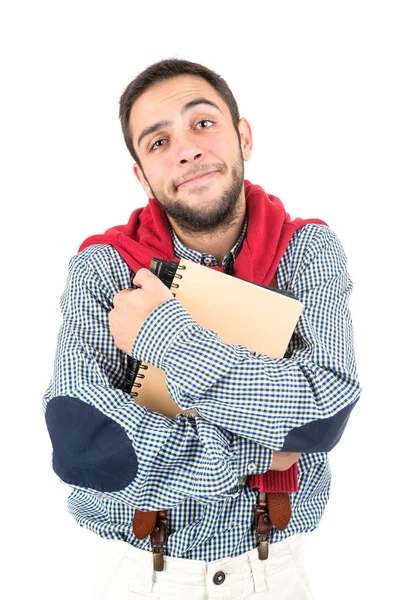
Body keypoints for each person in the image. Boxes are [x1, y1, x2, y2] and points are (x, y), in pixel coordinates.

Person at [42, 58, 361, 599]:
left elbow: (324, 411)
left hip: (273, 570)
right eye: (158, 142)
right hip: (140, 572)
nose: (186, 148)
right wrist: (262, 444)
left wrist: (167, 336)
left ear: (243, 137)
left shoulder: (309, 252)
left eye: (203, 123)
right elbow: (88, 445)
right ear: (142, 175)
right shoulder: (103, 267)